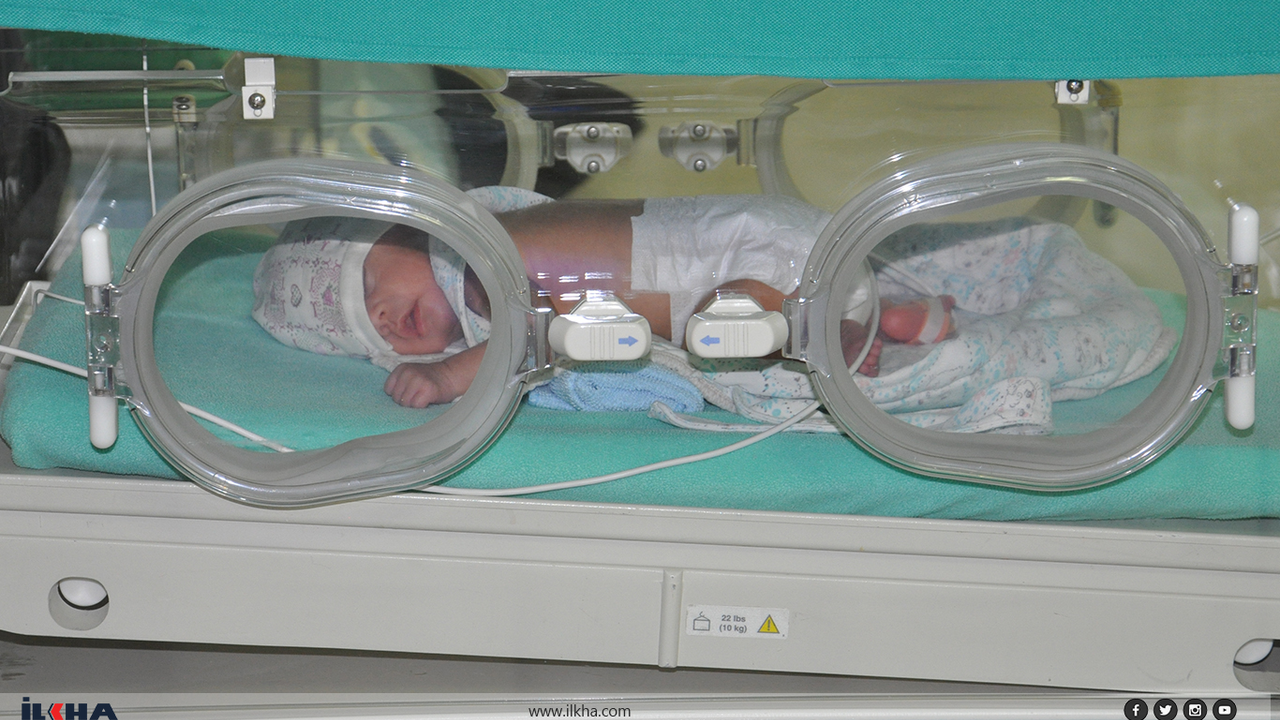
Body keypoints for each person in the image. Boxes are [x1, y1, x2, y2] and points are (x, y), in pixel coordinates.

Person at [253, 192, 955, 407]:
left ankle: (832, 326)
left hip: (737, 249)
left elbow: (526, 341)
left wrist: (444, 376)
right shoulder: (476, 281)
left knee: (726, 324)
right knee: (733, 329)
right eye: (367, 331)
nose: (380, 317)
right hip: (768, 255)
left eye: (367, 286)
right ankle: (876, 319)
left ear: (411, 232)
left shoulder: (477, 256)